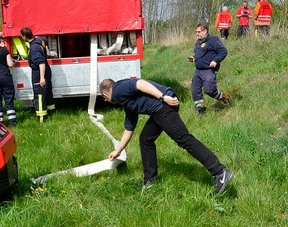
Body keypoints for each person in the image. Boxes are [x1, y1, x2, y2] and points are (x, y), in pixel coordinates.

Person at [100, 77, 234, 195]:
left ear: (106, 94)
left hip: (164, 106)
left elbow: (140, 83)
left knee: (184, 140)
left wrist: (162, 97)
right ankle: (149, 181)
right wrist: (117, 151)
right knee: (145, 139)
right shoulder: (127, 102)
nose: (107, 100)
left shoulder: (117, 89)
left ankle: (219, 172)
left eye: (104, 99)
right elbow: (129, 129)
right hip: (159, 110)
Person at [189, 23, 230, 114]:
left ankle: (224, 98)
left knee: (209, 90)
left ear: (205, 31)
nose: (197, 34)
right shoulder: (198, 42)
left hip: (209, 70)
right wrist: (194, 57)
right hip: (198, 70)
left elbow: (223, 51)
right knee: (195, 89)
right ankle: (200, 109)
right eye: (196, 32)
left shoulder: (213, 40)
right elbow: (199, 54)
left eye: (199, 32)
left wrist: (215, 60)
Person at [21, 27, 55, 121]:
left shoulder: (34, 48)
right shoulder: (40, 40)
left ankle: (41, 117)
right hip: (46, 70)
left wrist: (42, 78)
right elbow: (45, 40)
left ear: (24, 36)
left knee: (39, 94)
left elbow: (41, 63)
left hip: (39, 72)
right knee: (47, 92)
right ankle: (51, 111)